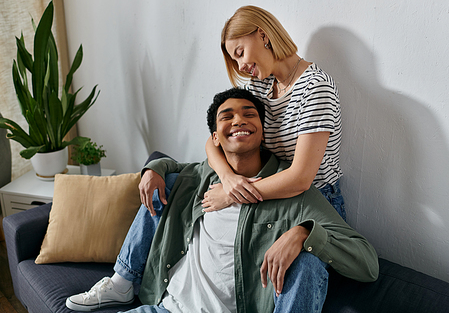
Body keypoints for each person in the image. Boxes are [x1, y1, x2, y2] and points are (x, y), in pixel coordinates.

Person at [66, 89, 378, 313]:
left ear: (261, 132)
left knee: (310, 263)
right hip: (164, 307)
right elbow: (171, 168)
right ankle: (122, 282)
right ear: (215, 137)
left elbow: (367, 263)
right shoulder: (200, 177)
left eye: (249, 114)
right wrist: (152, 169)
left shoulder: (294, 196)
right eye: (227, 116)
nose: (239, 120)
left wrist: (302, 234)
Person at [202, 5, 346, 221]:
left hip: (315, 204)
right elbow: (214, 140)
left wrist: (232, 195)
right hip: (271, 196)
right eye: (235, 60)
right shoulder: (260, 86)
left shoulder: (315, 87)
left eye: (240, 53)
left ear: (263, 35)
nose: (240, 66)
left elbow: (301, 179)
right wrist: (228, 179)